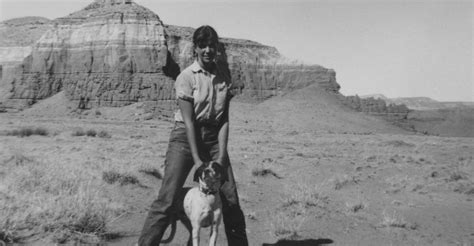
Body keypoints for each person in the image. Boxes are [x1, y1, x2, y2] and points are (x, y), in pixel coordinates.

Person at [138, 25, 249, 246]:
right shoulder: (186, 77)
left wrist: (221, 156)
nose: (208, 50)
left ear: (217, 48)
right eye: (202, 45)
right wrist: (198, 161)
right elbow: (189, 122)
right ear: (196, 49)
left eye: (212, 45)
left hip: (214, 136)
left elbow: (224, 119)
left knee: (230, 199)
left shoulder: (223, 77)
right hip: (185, 137)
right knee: (168, 198)